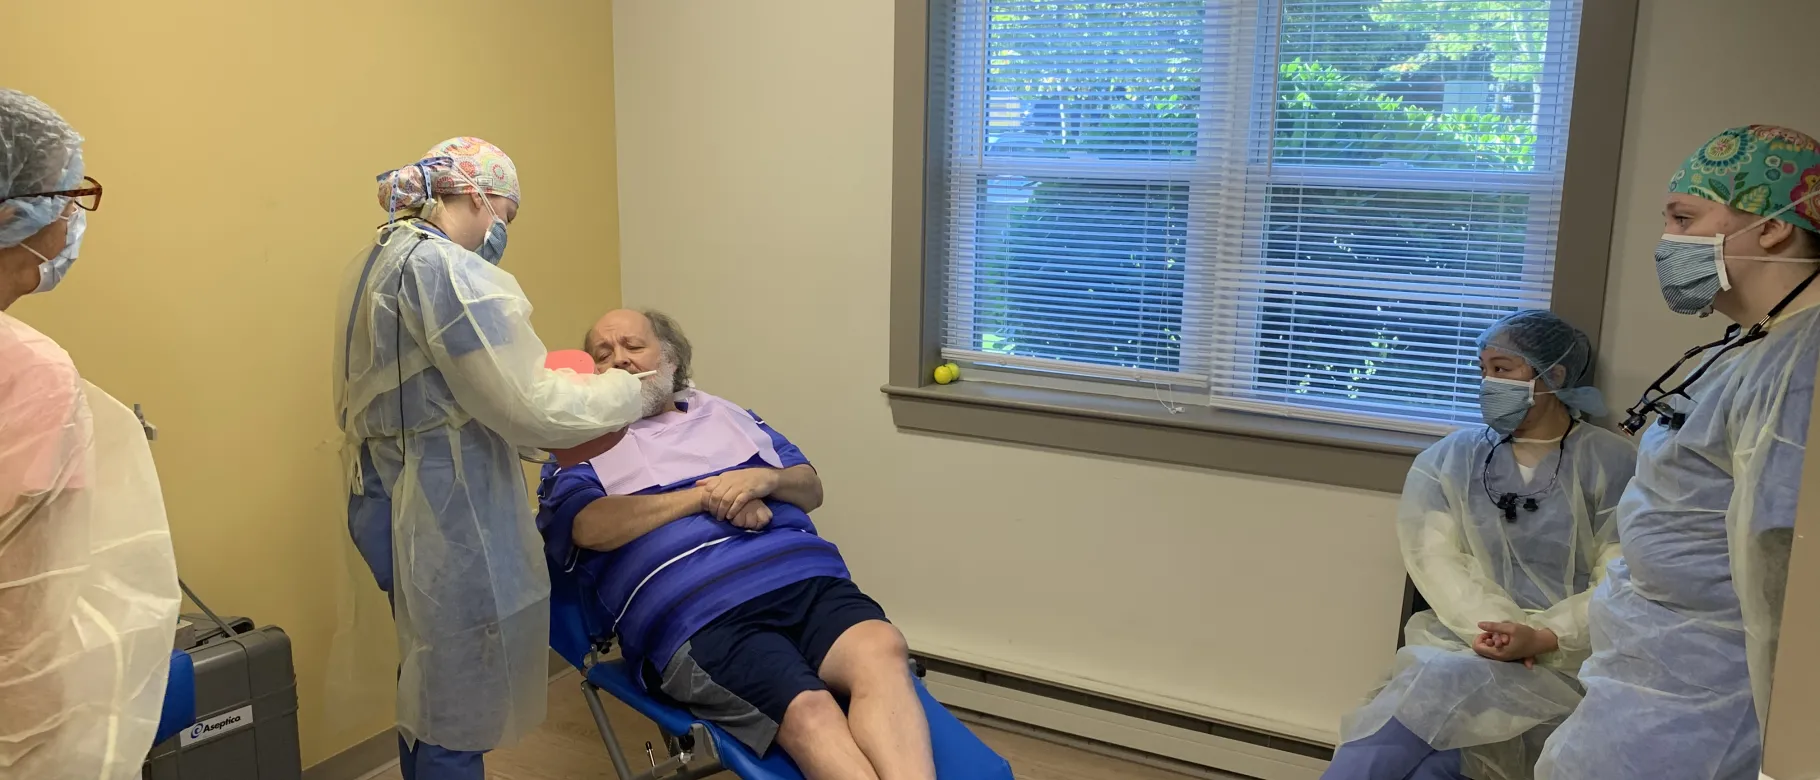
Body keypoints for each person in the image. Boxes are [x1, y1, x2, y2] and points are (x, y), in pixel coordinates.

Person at [333, 138, 646, 779]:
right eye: (505, 214)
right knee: (458, 696)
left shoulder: (382, 258)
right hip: (444, 508)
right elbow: (531, 405)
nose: (504, 231)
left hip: (384, 496)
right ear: (477, 196)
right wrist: (632, 392)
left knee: (427, 674)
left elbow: (452, 390)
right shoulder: (447, 271)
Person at [537, 309, 936, 780]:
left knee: (883, 649)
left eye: (633, 346)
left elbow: (810, 489)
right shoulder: (578, 444)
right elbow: (587, 527)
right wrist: (706, 497)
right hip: (702, 616)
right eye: (603, 355)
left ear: (670, 359)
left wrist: (766, 479)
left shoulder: (728, 416)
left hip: (803, 580)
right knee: (811, 709)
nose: (620, 360)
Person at [1535, 125, 1820, 780]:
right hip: (1653, 679)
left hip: (1703, 709)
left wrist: (1791, 754)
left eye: (1684, 218)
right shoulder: (1750, 345)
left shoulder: (1799, 366)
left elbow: (1783, 565)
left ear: (1773, 227)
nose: (1668, 242)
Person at [1324, 310, 1636, 780]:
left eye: (1503, 369)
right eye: (1483, 369)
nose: (1488, 381)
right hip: (1465, 643)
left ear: (1553, 375)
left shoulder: (1612, 463)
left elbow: (1622, 574)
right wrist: (1494, 632)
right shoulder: (1450, 458)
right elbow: (1435, 559)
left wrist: (1545, 636)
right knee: (1426, 712)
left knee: (1439, 748)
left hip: (1563, 660)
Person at [0, 88, 182, 778]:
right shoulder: (30, 376)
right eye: (69, 194)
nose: (76, 215)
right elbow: (26, 639)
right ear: (15, 212)